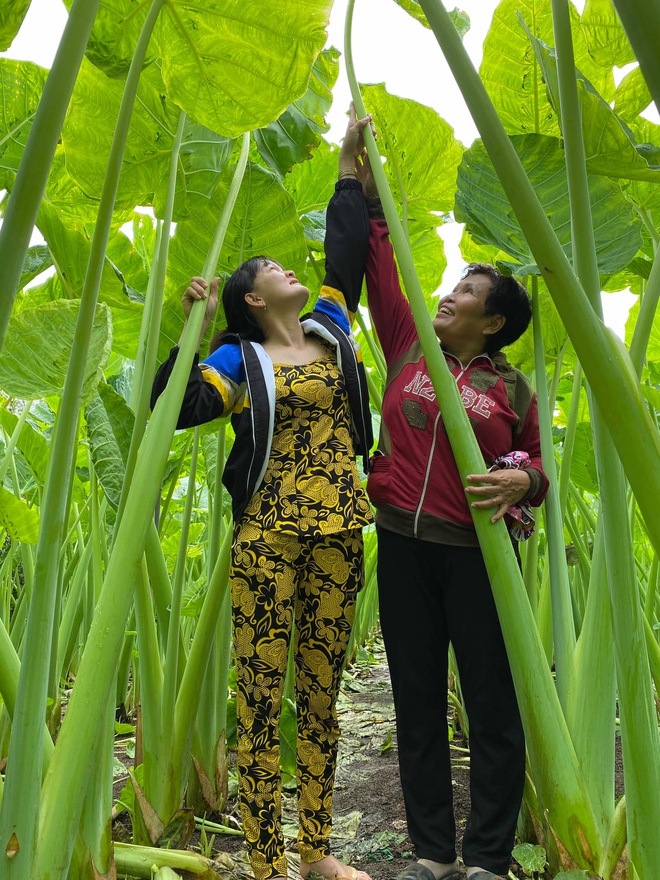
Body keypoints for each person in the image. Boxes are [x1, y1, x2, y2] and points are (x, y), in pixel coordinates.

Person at [151, 109, 376, 880]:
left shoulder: (330, 328)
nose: (292, 270)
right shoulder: (235, 360)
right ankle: (266, 863)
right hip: (268, 540)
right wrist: (187, 327)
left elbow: (345, 252)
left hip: (341, 530)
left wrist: (351, 169)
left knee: (320, 695)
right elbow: (172, 409)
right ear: (251, 298)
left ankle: (316, 852)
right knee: (259, 698)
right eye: (275, 268)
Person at [342, 151, 548, 880]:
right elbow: (383, 276)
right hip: (402, 547)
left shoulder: (513, 388)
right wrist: (369, 200)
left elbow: (534, 463)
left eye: (466, 291)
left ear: (492, 322)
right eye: (454, 284)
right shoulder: (408, 347)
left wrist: (523, 483)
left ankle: (489, 856)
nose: (450, 295)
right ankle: (432, 854)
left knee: (493, 707)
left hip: (480, 559)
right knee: (417, 702)